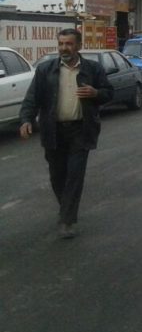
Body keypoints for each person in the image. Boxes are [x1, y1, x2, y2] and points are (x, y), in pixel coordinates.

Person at [19, 28, 113, 239]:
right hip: (53, 131)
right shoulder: (45, 70)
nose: (64, 48)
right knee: (57, 176)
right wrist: (26, 119)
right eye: (61, 44)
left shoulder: (93, 69)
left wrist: (95, 93)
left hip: (81, 130)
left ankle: (67, 220)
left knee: (74, 176)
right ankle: (66, 209)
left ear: (78, 46)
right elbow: (32, 99)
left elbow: (109, 93)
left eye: (69, 44)